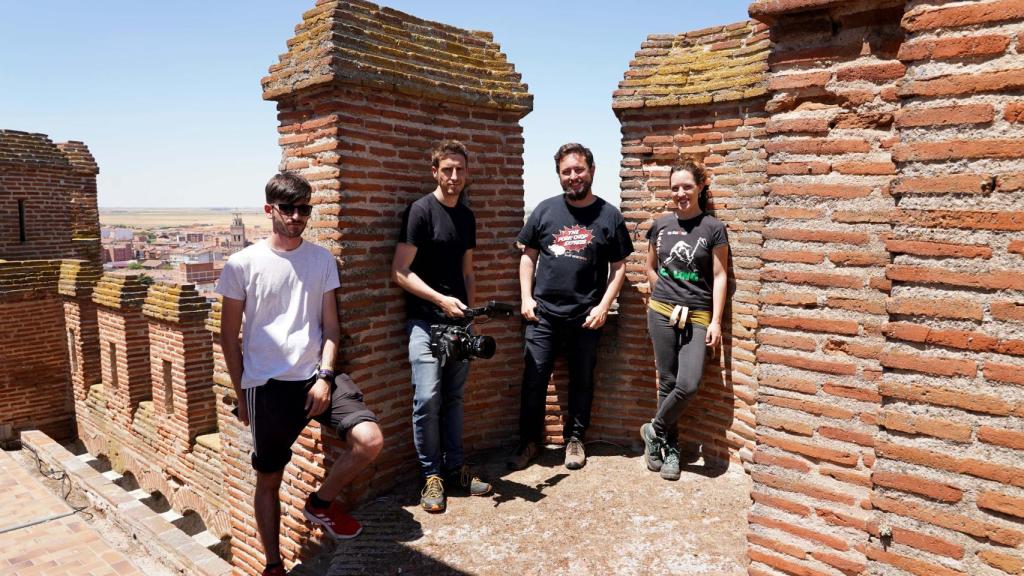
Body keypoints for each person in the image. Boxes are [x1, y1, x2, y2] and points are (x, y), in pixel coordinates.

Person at [218, 172, 384, 576]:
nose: (296, 216)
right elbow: (228, 338)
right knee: (269, 479)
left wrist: (326, 376)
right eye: (288, 208)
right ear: (269, 209)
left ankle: (320, 504)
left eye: (303, 209)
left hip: (316, 376)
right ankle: (273, 565)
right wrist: (243, 398)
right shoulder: (242, 264)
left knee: (370, 439)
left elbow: (331, 327)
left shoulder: (321, 260)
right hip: (267, 386)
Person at [509, 142, 633, 471]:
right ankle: (529, 442)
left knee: (582, 379)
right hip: (543, 315)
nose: (573, 176)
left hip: (586, 316)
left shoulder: (609, 215)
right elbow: (528, 257)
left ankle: (575, 439)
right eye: (567, 172)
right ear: (559, 176)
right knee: (534, 379)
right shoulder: (544, 211)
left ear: (591, 171)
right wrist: (526, 297)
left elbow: (619, 267)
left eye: (579, 169)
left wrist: (604, 306)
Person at [392, 140, 492, 513]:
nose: (453, 177)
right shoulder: (420, 211)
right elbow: (400, 272)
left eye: (460, 170)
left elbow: (467, 271)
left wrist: (471, 318)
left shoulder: (467, 217)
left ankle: (455, 469)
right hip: (425, 322)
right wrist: (440, 301)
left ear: (467, 174)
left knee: (454, 398)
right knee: (427, 399)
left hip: (458, 324)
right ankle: (431, 475)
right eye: (447, 169)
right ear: (434, 171)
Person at [640, 160, 729, 481]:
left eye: (687, 187)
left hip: (699, 315)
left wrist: (716, 321)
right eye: (675, 187)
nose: (681, 193)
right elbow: (650, 268)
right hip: (662, 313)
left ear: (701, 187)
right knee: (666, 382)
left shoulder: (713, 228)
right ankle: (669, 449)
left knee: (688, 384)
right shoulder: (661, 225)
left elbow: (720, 276)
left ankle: (654, 429)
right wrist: (663, 293)